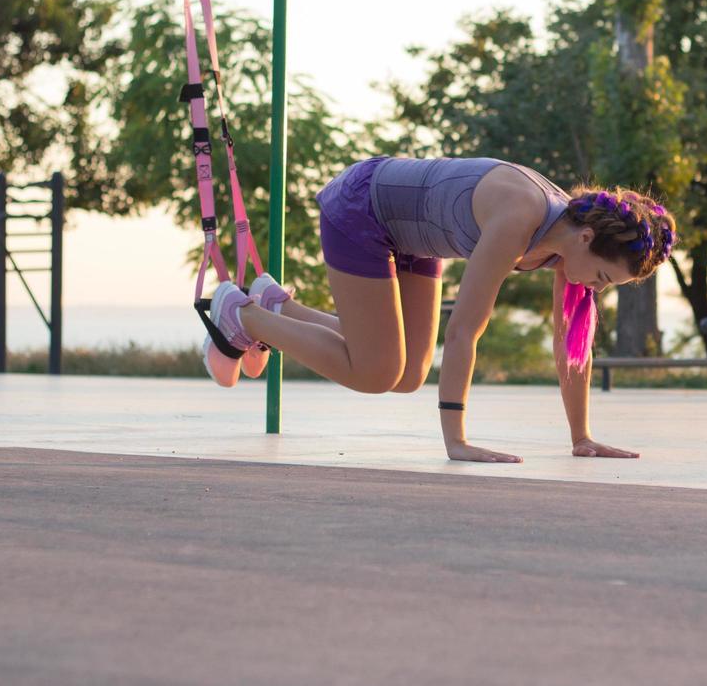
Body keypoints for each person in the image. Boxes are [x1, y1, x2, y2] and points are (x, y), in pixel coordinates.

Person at [205, 156, 676, 463]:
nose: (594, 287)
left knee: (408, 373)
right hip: (364, 207)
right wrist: (457, 441)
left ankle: (275, 306)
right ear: (588, 239)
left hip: (418, 235)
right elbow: (465, 330)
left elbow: (571, 345)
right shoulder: (522, 215)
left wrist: (582, 437)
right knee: (375, 373)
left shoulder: (567, 244)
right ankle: (239, 313)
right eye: (601, 277)